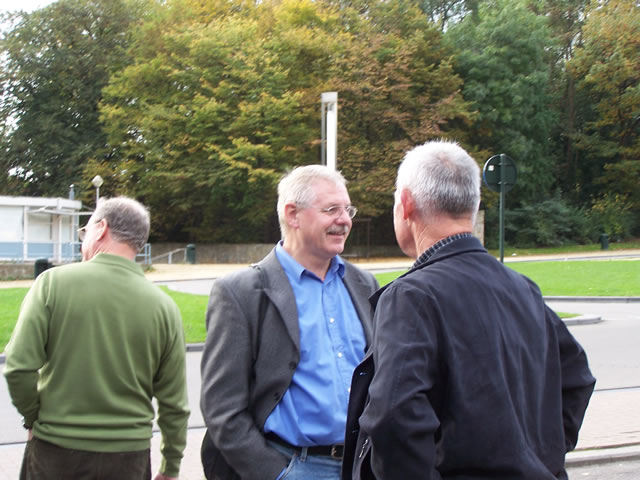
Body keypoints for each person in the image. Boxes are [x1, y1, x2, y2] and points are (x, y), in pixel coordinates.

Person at [342, 140, 596, 480]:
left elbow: (393, 417)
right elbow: (577, 378)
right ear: (473, 205)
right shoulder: (522, 288)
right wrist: (540, 456)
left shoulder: (412, 296)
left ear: (406, 203)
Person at [200, 165, 379, 480]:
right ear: (293, 214)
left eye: (348, 209)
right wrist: (277, 474)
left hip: (361, 465)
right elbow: (221, 408)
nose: (345, 220)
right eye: (331, 210)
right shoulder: (241, 292)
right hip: (295, 467)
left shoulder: (365, 284)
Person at [4, 196, 190, 480]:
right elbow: (174, 404)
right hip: (129, 459)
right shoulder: (165, 308)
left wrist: (32, 418)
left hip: (56, 453)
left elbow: (18, 367)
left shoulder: (52, 284)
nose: (83, 241)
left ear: (101, 228)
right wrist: (170, 467)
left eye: (85, 231)